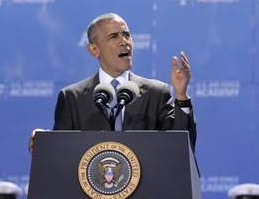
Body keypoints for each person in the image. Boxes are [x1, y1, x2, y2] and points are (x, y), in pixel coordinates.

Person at [28, 13, 196, 153]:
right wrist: (44, 142)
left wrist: (181, 95)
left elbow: (181, 148)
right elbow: (62, 152)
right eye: (113, 36)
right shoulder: (72, 97)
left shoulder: (157, 93)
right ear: (94, 50)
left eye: (127, 34)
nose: (124, 41)